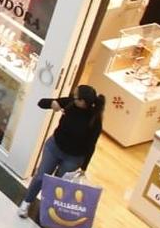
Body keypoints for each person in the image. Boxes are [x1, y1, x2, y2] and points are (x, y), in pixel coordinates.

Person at [18, 84, 105, 217]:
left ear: (83, 101)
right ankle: (26, 202)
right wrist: (53, 103)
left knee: (57, 186)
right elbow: (41, 103)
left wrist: (84, 167)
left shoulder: (95, 119)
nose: (73, 98)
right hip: (54, 147)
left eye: (76, 97)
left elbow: (91, 144)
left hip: (74, 157)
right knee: (41, 177)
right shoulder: (71, 102)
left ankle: (46, 211)